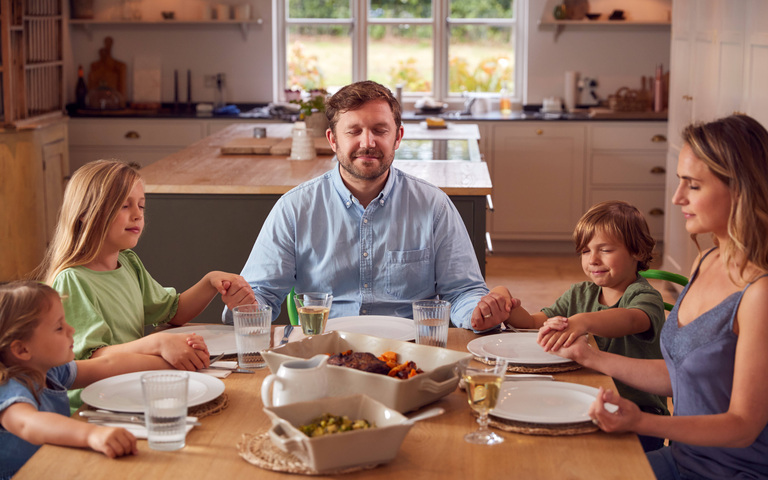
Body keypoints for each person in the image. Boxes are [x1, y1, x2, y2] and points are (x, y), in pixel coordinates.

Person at [551, 114, 768, 479]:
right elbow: (681, 374)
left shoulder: (760, 293)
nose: (677, 197)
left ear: (740, 188)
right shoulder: (707, 260)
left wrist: (642, 422)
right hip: (682, 460)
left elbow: (742, 426)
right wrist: (589, 356)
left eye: (693, 185)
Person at [226, 80, 489, 329]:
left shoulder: (434, 206)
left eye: (380, 130)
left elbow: (463, 292)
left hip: (410, 350)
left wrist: (481, 313)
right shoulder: (294, 209)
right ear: (333, 140)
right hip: (325, 349)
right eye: (353, 131)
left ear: (397, 137)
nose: (367, 143)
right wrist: (246, 305)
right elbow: (261, 295)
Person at [35, 160, 255, 411]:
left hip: (131, 388)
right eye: (124, 205)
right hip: (95, 405)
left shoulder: (128, 262)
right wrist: (158, 345)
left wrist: (210, 282)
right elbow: (94, 358)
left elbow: (174, 311)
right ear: (85, 213)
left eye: (141, 205)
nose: (138, 214)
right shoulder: (72, 280)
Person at [475, 200, 668, 451]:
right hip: (587, 404)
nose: (593, 260)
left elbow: (632, 319)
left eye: (605, 250)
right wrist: (505, 303)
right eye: (585, 251)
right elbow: (532, 323)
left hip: (638, 415)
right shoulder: (579, 293)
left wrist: (582, 321)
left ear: (638, 252)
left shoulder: (644, 296)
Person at [0, 281, 188, 479]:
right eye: (59, 327)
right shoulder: (9, 389)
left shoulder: (50, 371)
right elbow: (29, 424)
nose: (71, 329)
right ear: (22, 349)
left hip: (54, 465)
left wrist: (174, 365)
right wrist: (91, 434)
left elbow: (106, 365)